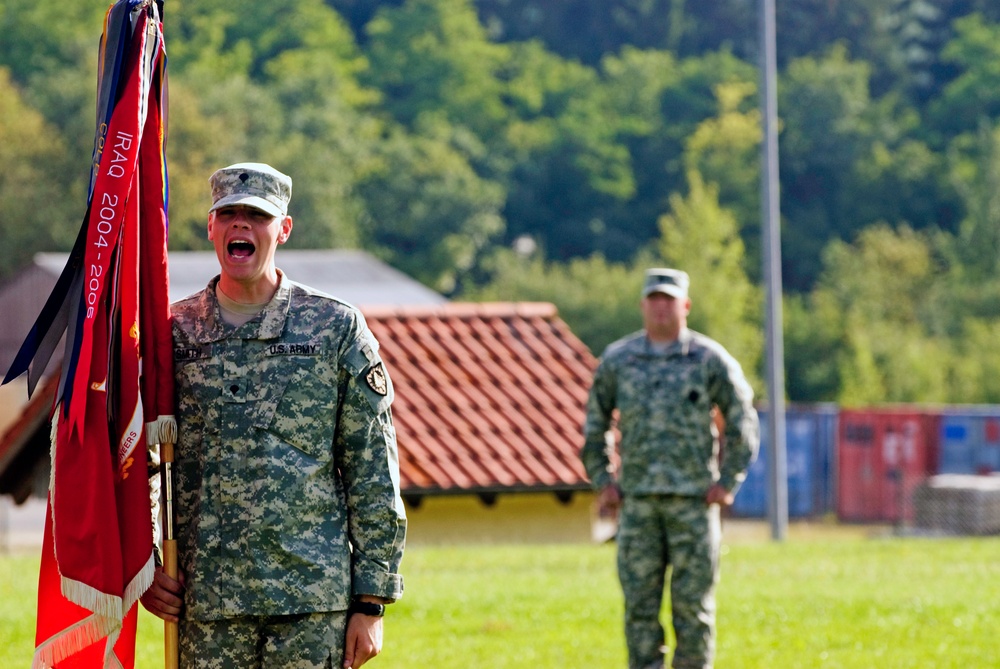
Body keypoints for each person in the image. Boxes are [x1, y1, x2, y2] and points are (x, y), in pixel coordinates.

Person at [140, 162, 407, 669]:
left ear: (283, 229)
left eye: (257, 216)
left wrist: (372, 600)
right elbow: (142, 461)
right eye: (230, 214)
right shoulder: (170, 333)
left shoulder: (334, 328)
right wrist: (145, 565)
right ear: (211, 227)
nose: (241, 225)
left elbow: (373, 466)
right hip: (206, 603)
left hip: (311, 604)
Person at [580, 268, 759, 669]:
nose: (662, 308)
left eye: (669, 300)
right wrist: (603, 480)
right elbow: (595, 424)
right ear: (643, 305)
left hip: (693, 505)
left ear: (686, 306)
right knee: (639, 611)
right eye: (654, 300)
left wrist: (727, 481)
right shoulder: (619, 360)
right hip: (638, 504)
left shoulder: (709, 359)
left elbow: (743, 421)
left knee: (693, 611)